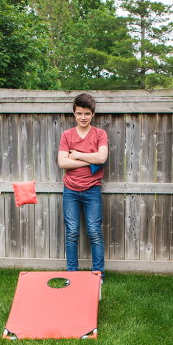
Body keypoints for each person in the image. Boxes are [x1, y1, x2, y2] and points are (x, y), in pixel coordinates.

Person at [57, 93, 109, 277]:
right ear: (74, 113)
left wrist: (77, 155)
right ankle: (72, 275)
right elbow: (63, 163)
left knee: (95, 232)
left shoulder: (100, 134)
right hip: (70, 190)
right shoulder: (67, 135)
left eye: (87, 113)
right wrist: (91, 160)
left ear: (93, 113)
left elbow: (102, 157)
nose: (83, 117)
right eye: (79, 113)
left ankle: (98, 275)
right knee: (71, 233)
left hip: (92, 190)